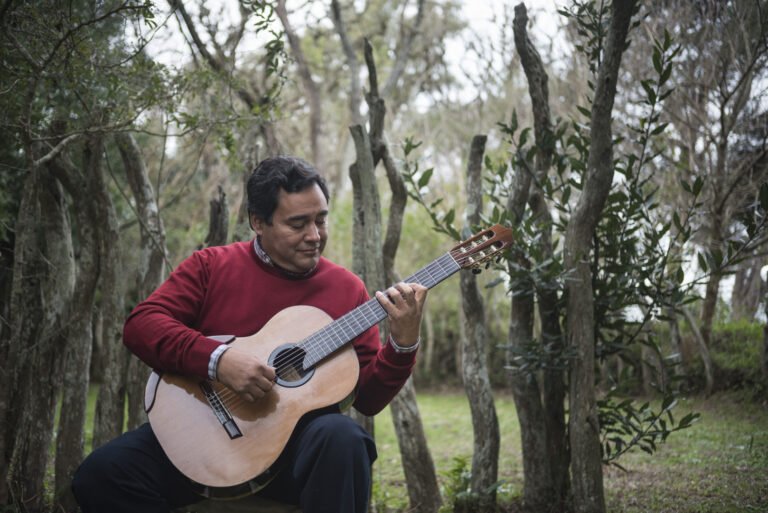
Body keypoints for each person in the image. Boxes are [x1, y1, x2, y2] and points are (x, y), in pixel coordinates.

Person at [71, 156, 428, 513]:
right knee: (100, 475)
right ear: (258, 222)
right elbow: (142, 325)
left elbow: (367, 398)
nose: (314, 236)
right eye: (297, 224)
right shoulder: (211, 266)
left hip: (295, 452)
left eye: (321, 220)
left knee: (344, 438)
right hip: (206, 435)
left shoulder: (347, 289)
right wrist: (217, 361)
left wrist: (403, 342)